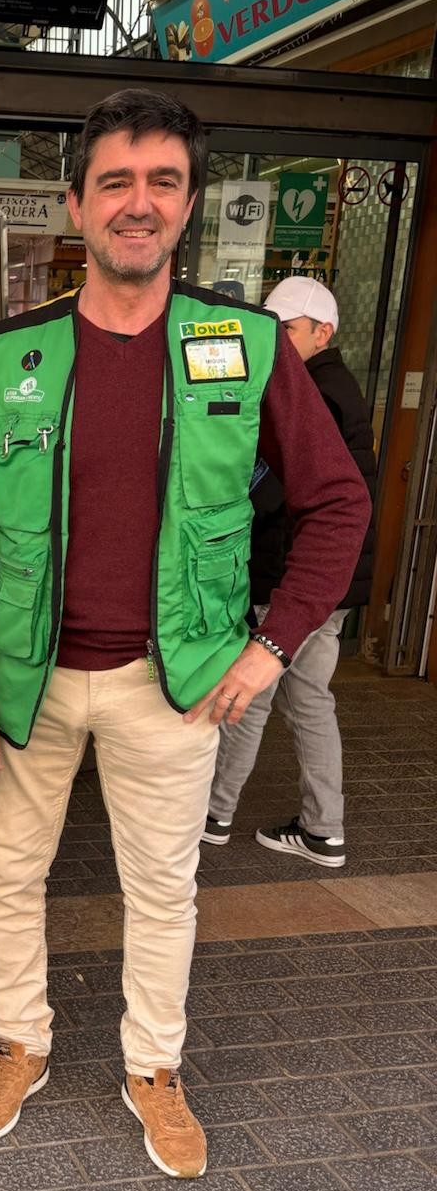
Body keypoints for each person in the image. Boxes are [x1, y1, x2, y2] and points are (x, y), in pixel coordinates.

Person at [0, 89, 371, 1179]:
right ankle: (20, 1041)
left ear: (187, 204)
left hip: (172, 681)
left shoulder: (243, 343)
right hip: (27, 681)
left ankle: (153, 1067)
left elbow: (339, 503)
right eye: (116, 183)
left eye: (162, 182)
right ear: (78, 205)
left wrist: (269, 649)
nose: (140, 204)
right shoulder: (5, 359)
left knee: (164, 888)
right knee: (8, 874)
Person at [203, 277, 376, 867]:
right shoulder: (337, 388)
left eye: (288, 330)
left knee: (246, 694)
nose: (276, 341)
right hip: (331, 585)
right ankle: (324, 828)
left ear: (322, 332)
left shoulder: (317, 392)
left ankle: (214, 814)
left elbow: (272, 494)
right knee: (310, 701)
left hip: (295, 579)